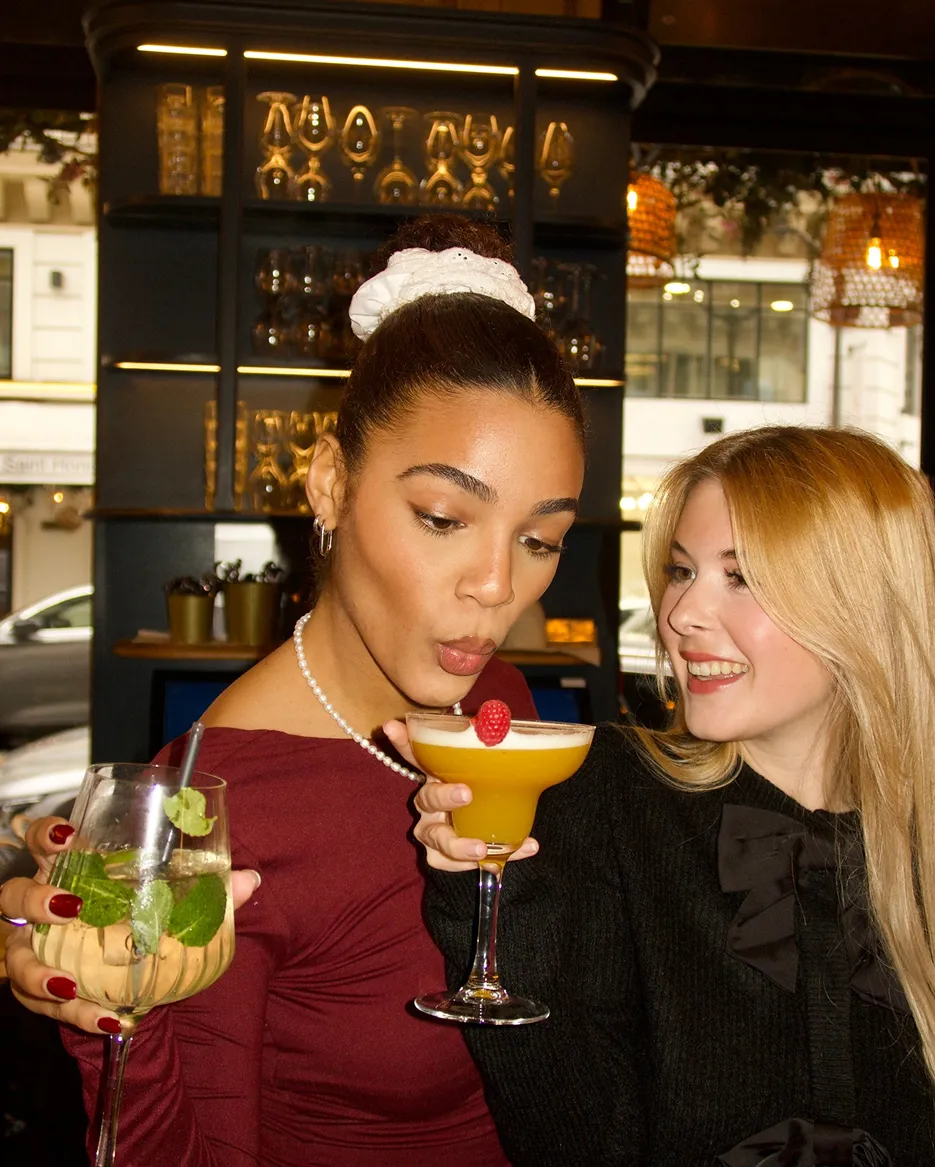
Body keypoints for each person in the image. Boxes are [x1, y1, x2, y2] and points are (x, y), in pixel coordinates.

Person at [0, 214, 585, 1165]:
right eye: (442, 516)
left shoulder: (503, 706)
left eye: (539, 539)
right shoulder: (217, 811)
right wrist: (114, 1018)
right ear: (327, 480)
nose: (496, 585)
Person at [417, 425, 935, 1165]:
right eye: (680, 570)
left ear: (863, 605)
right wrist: (487, 890)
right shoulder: (605, 798)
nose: (680, 614)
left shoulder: (919, 839)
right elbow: (568, 1132)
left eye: (741, 575)